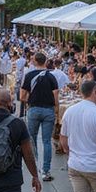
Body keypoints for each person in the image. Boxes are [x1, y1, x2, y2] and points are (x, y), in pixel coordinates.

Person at [20, 53, 59, 181]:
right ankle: (45, 171)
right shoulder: (51, 77)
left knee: (32, 138)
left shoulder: (29, 76)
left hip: (34, 109)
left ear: (35, 61)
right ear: (45, 62)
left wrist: (30, 100)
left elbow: (21, 96)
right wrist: (56, 111)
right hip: (48, 110)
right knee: (47, 141)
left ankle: (34, 166)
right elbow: (56, 97)